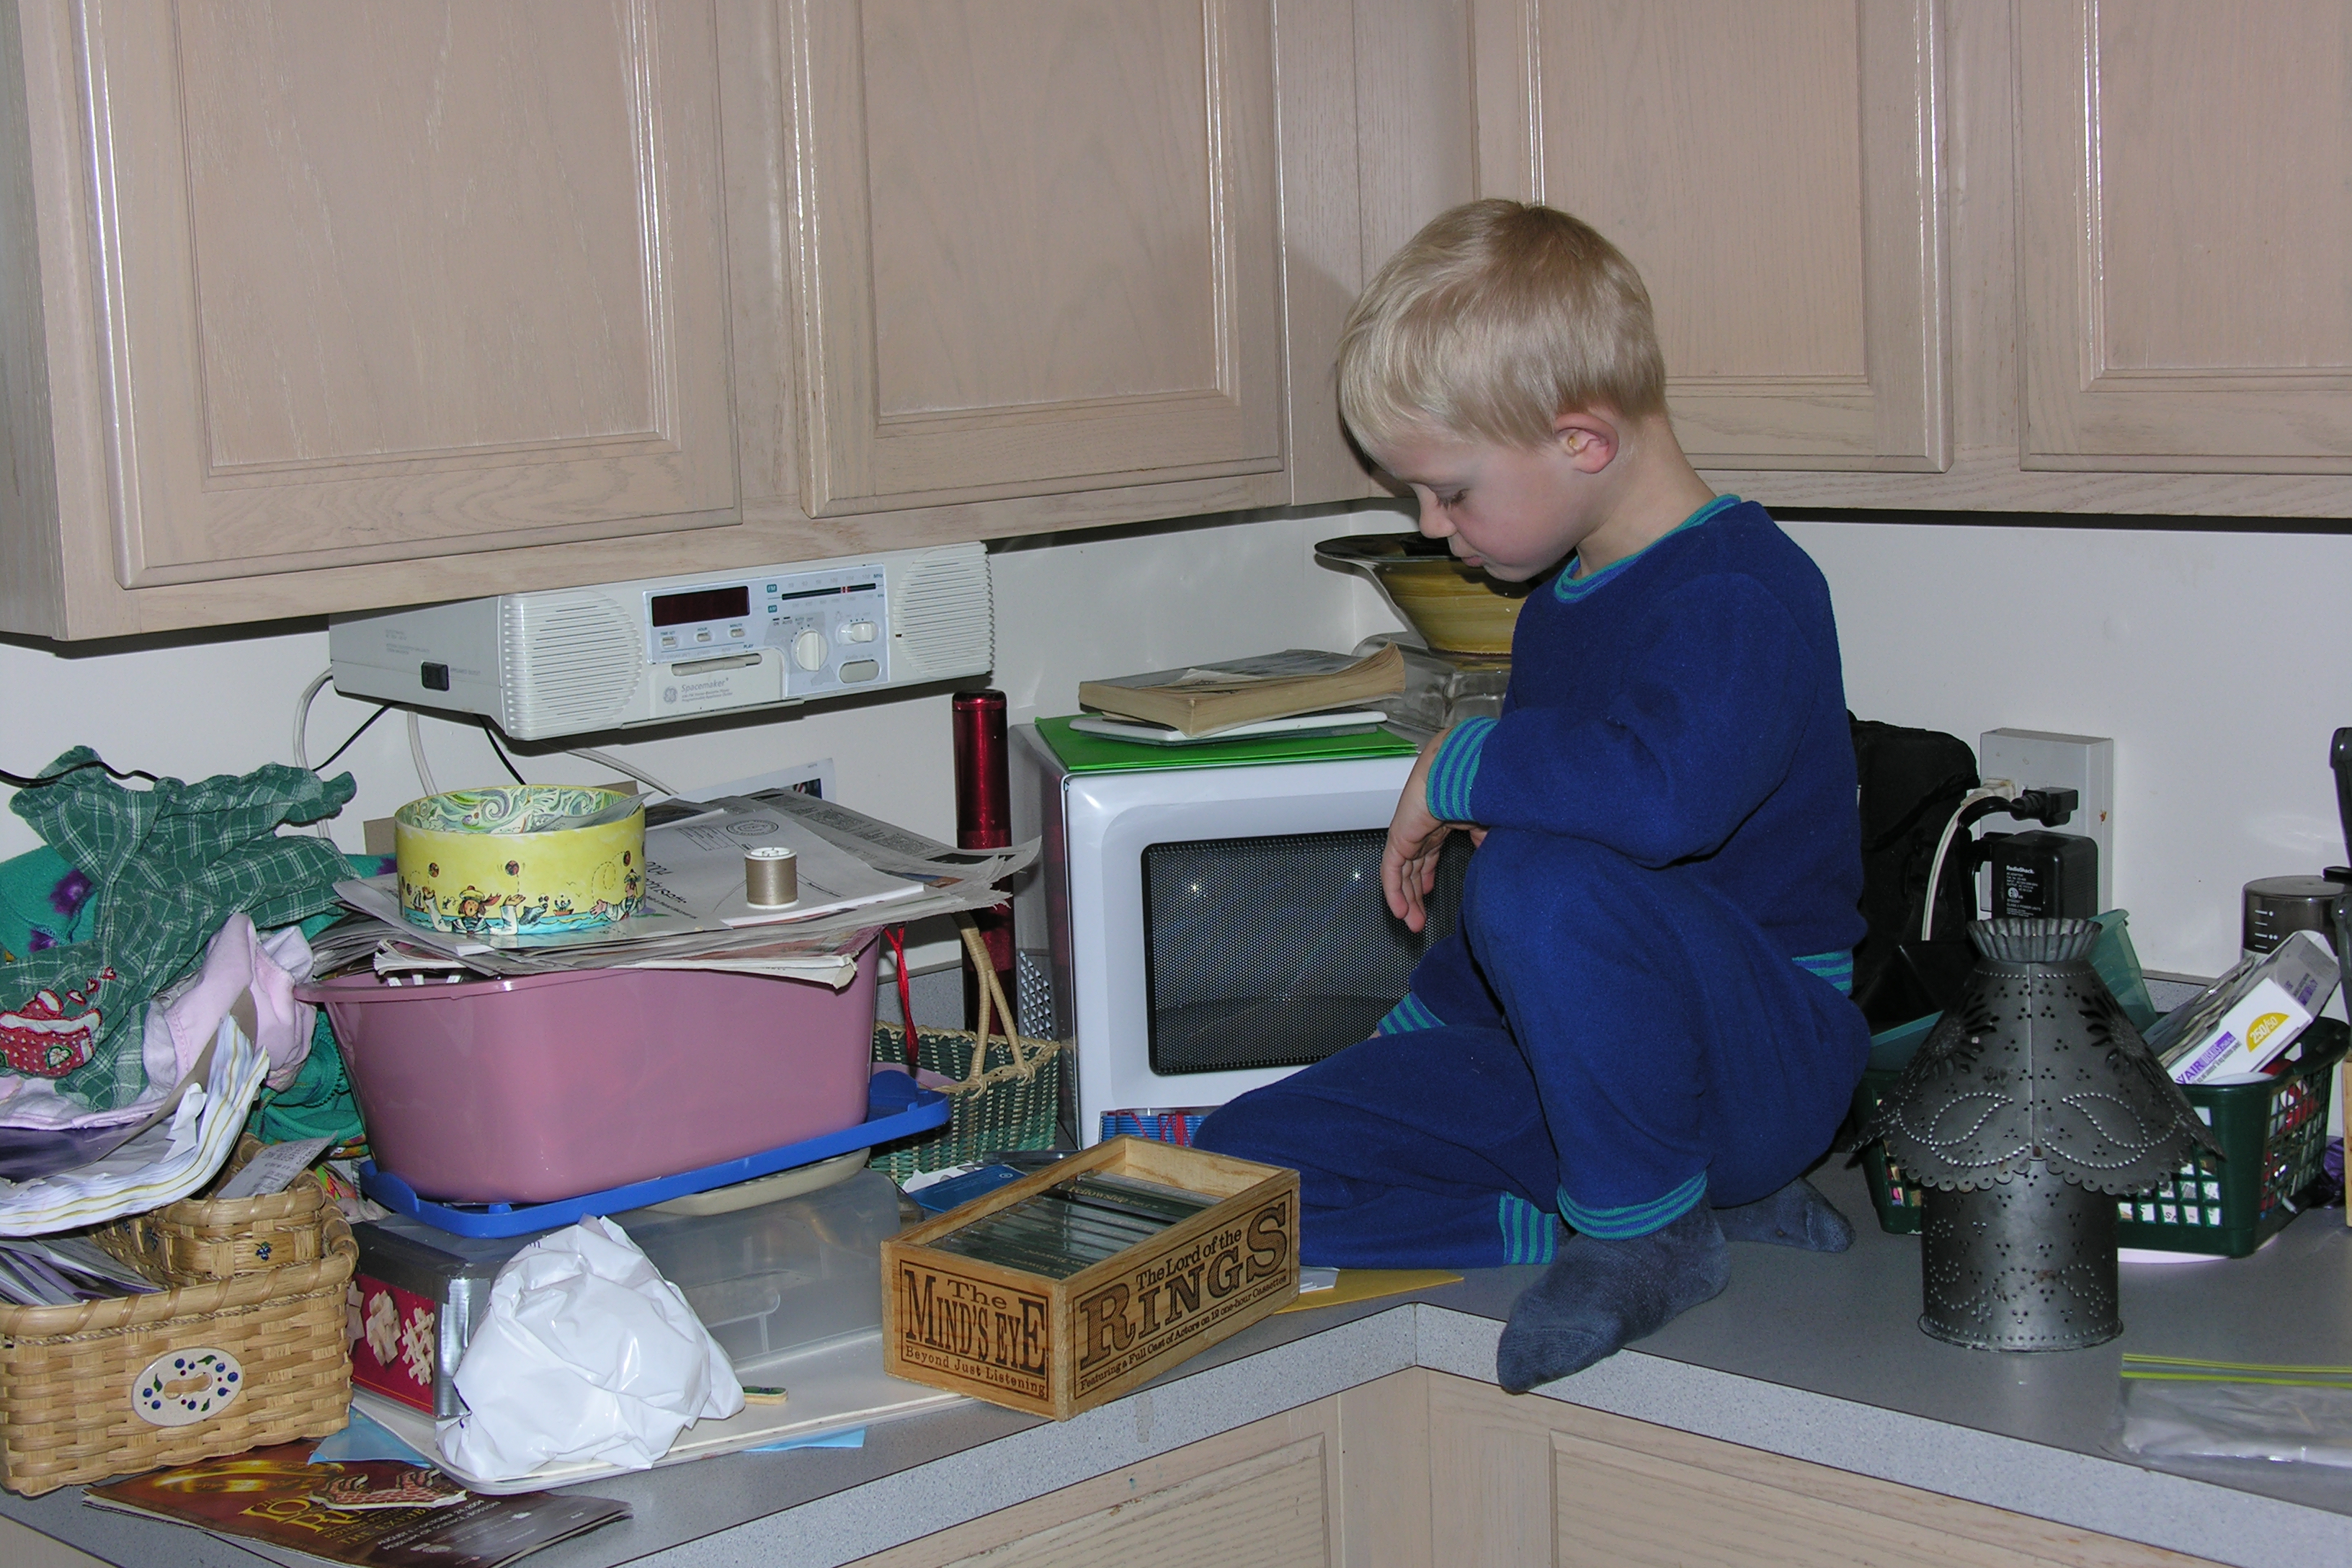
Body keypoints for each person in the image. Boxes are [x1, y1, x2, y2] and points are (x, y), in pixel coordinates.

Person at [1193, 200, 1870, 1392]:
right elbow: (1529, 912)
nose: (1432, 527)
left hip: (1763, 1064)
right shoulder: (1560, 606)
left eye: (1450, 492)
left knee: (1541, 872)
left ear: (1582, 441)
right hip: (1583, 1072)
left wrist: (1461, 757)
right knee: (1234, 1175)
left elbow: (1660, 806)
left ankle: (1649, 1232)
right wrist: (1414, 1041)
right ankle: (1622, 1218)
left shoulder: (1741, 595)